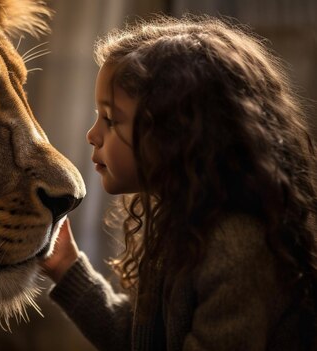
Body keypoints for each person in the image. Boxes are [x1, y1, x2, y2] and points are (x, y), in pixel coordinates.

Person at [40, 15, 317, 351]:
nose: (92, 134)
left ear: (176, 136)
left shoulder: (237, 249)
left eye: (111, 119)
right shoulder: (181, 223)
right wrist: (66, 266)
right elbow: (140, 342)